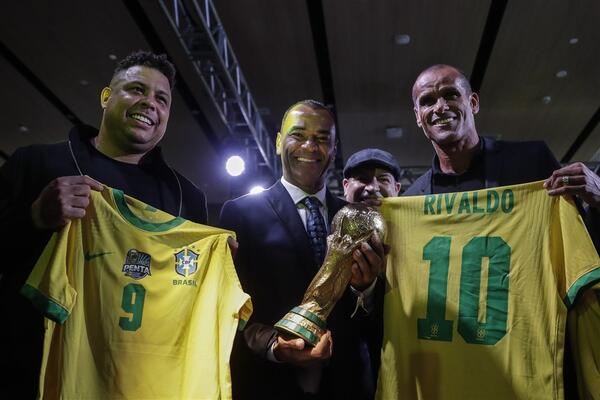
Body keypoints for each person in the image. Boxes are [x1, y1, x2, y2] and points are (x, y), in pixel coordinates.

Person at [0, 50, 208, 398]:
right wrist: (34, 219)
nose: (149, 103)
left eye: (161, 98)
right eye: (136, 89)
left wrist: (212, 266)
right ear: (106, 96)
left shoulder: (187, 198)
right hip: (29, 373)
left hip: (133, 383)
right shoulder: (35, 162)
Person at [401, 64, 600, 398]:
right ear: (418, 117)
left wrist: (598, 198)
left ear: (473, 102)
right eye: (427, 101)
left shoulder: (532, 163)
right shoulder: (410, 203)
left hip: (529, 370)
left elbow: (582, 259)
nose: (440, 107)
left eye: (451, 94)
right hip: (453, 377)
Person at [219, 99, 384, 399]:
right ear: (279, 142)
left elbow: (378, 319)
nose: (310, 146)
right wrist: (273, 346)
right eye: (298, 135)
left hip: (346, 385)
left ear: (334, 150)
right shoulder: (239, 213)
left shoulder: (358, 218)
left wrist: (367, 291)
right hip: (269, 384)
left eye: (322, 139)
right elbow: (227, 308)